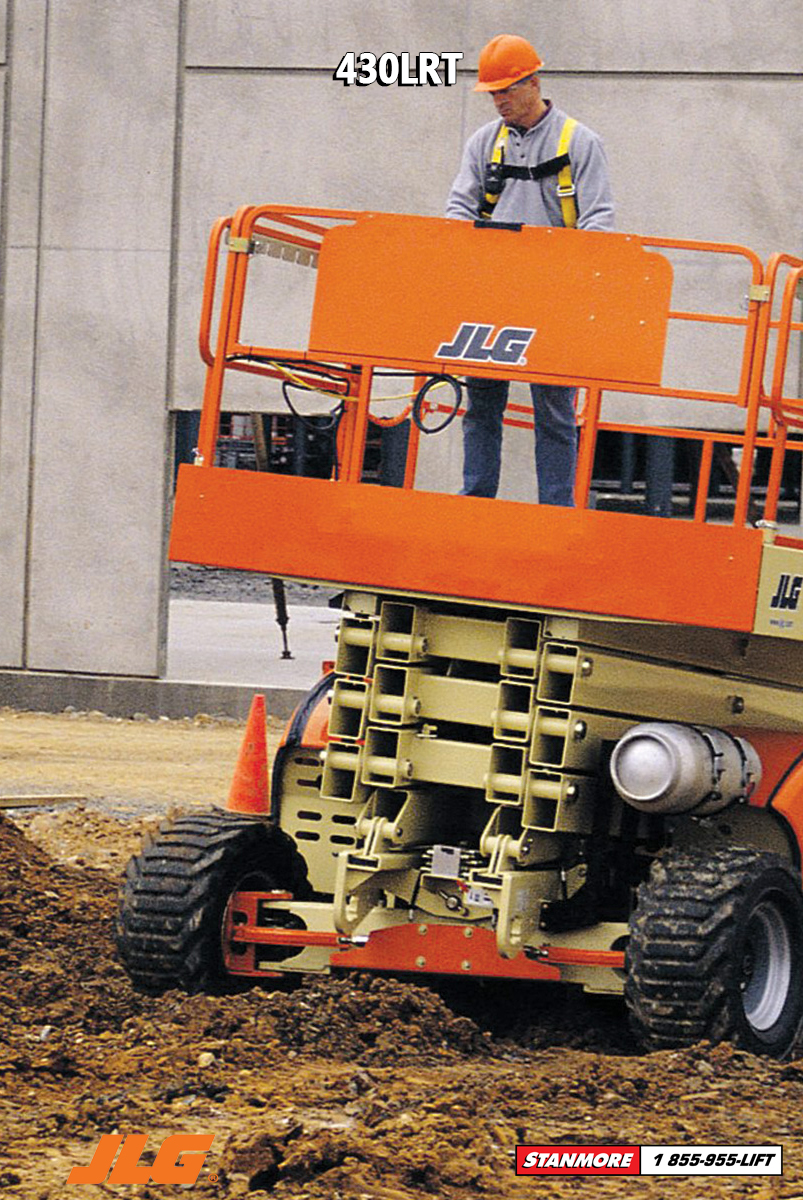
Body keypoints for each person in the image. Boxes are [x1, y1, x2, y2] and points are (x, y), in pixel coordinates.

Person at [446, 34, 614, 505]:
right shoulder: (485, 143)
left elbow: (599, 220)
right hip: (492, 293)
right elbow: (459, 208)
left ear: (533, 83)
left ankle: (556, 512)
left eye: (506, 90)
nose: (498, 101)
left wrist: (572, 278)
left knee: (555, 411)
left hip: (555, 297)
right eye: (493, 93)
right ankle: (476, 500)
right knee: (481, 404)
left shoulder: (579, 142)